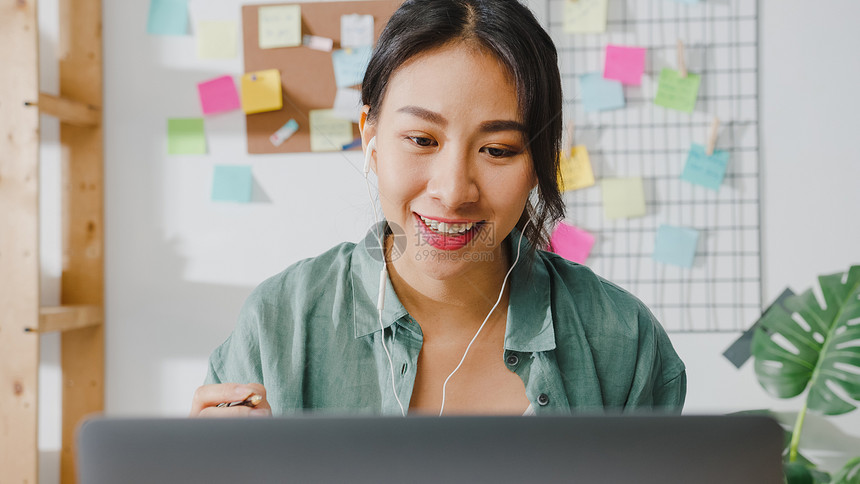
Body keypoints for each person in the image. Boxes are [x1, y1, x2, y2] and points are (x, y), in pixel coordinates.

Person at [190, 0, 686, 418]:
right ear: (371, 137)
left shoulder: (623, 339)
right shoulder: (280, 324)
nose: (452, 192)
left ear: (538, 162)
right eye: (422, 139)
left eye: (497, 149)